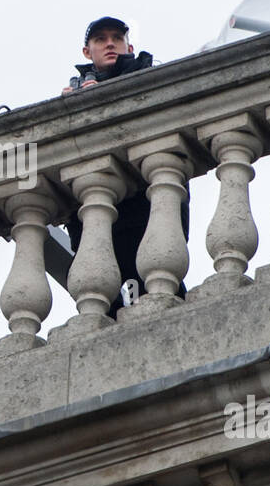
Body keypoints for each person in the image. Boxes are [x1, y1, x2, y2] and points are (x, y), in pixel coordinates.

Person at [60, 18, 187, 314]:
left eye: (116, 38)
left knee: (160, 289)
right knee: (108, 303)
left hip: (145, 209)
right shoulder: (76, 91)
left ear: (129, 47)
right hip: (98, 217)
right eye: (101, 39)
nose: (109, 44)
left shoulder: (147, 77)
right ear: (86, 51)